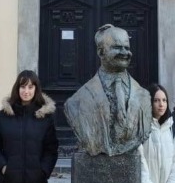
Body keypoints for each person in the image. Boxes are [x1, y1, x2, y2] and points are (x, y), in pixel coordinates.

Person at [64, 24, 152, 157]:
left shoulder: (144, 96)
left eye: (127, 48)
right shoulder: (76, 102)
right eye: (117, 47)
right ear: (101, 52)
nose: (124, 53)